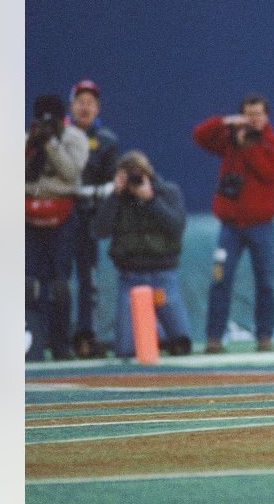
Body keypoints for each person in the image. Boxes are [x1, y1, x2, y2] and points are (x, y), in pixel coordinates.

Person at [193, 94, 274, 353]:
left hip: (262, 226)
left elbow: (270, 172)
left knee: (266, 283)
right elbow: (200, 135)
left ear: (266, 116)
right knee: (220, 280)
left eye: (259, 114)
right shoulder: (230, 141)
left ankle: (265, 336)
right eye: (249, 114)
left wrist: (249, 147)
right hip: (231, 226)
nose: (254, 119)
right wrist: (227, 122)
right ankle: (214, 337)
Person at [90, 150, 193, 358]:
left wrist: (151, 200)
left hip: (163, 277)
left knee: (182, 345)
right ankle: (152, 332)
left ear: (149, 174)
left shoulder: (167, 192)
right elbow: (100, 230)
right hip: (131, 278)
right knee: (126, 350)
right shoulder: (118, 199)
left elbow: (176, 227)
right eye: (130, 177)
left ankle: (157, 332)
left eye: (138, 176)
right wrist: (115, 195)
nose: (134, 182)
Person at [26, 94, 89, 361]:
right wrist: (36, 143)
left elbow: (71, 175)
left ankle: (61, 344)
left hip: (63, 218)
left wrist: (51, 144)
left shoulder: (74, 137)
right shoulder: (28, 138)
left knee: (60, 284)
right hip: (30, 217)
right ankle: (33, 345)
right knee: (29, 284)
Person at [66, 80, 119, 358]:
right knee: (56, 279)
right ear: (71, 105)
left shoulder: (107, 140)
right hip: (57, 218)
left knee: (89, 280)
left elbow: (112, 183)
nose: (85, 107)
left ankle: (86, 336)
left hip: (88, 219)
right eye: (80, 101)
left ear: (97, 108)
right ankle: (54, 337)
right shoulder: (56, 136)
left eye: (90, 103)